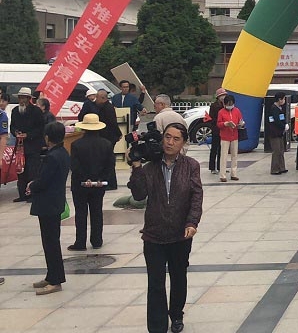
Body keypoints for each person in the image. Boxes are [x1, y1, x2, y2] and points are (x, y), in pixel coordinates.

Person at [128, 122, 203, 333]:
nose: (170, 142)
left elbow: (196, 196)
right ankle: (157, 327)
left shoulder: (191, 166)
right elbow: (139, 195)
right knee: (156, 284)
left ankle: (176, 315)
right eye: (167, 137)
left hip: (180, 234)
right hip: (154, 235)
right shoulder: (150, 167)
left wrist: (192, 222)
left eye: (176, 139)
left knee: (178, 278)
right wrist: (136, 167)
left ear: (184, 143)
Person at [26, 121, 71, 295]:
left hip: (48, 203)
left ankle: (56, 280)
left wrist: (32, 185)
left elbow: (44, 181)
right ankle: (51, 275)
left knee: (51, 243)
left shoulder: (52, 157)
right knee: (50, 241)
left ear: (47, 137)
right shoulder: (62, 152)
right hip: (54, 202)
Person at [68, 113, 117, 251]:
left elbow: (75, 166)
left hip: (80, 184)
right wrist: (101, 178)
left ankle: (80, 242)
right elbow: (110, 164)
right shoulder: (106, 144)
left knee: (81, 213)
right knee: (97, 212)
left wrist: (85, 178)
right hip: (99, 184)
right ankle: (97, 240)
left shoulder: (76, 144)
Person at [12, 87, 45, 204]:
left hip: (33, 145)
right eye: (20, 98)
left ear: (28, 99)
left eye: (23, 98)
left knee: (32, 170)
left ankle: (32, 194)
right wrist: (16, 133)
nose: (21, 100)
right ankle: (22, 194)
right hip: (20, 146)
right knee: (21, 170)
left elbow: (40, 129)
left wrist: (28, 135)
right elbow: (12, 126)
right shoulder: (15, 111)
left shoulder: (36, 111)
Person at [215, 94, 243, 182]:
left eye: (231, 104)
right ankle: (222, 175)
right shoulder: (221, 112)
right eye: (228, 104)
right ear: (225, 104)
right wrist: (225, 124)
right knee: (224, 156)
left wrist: (241, 124)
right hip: (225, 136)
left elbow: (241, 120)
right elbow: (218, 124)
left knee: (234, 156)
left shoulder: (237, 111)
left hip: (234, 135)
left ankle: (234, 173)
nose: (230, 105)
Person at [267, 92, 288, 175]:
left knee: (281, 150)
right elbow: (277, 120)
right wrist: (283, 126)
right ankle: (275, 169)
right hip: (274, 133)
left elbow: (282, 118)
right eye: (283, 99)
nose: (284, 100)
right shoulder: (274, 108)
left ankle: (281, 167)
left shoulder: (279, 108)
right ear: (279, 99)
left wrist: (285, 124)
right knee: (276, 151)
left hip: (279, 132)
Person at [207, 88, 226, 175]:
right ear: (218, 97)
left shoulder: (226, 105)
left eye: (224, 95)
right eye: (222, 95)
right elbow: (211, 118)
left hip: (224, 130)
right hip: (216, 130)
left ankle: (220, 167)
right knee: (214, 148)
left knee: (222, 150)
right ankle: (212, 167)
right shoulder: (214, 106)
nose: (223, 97)